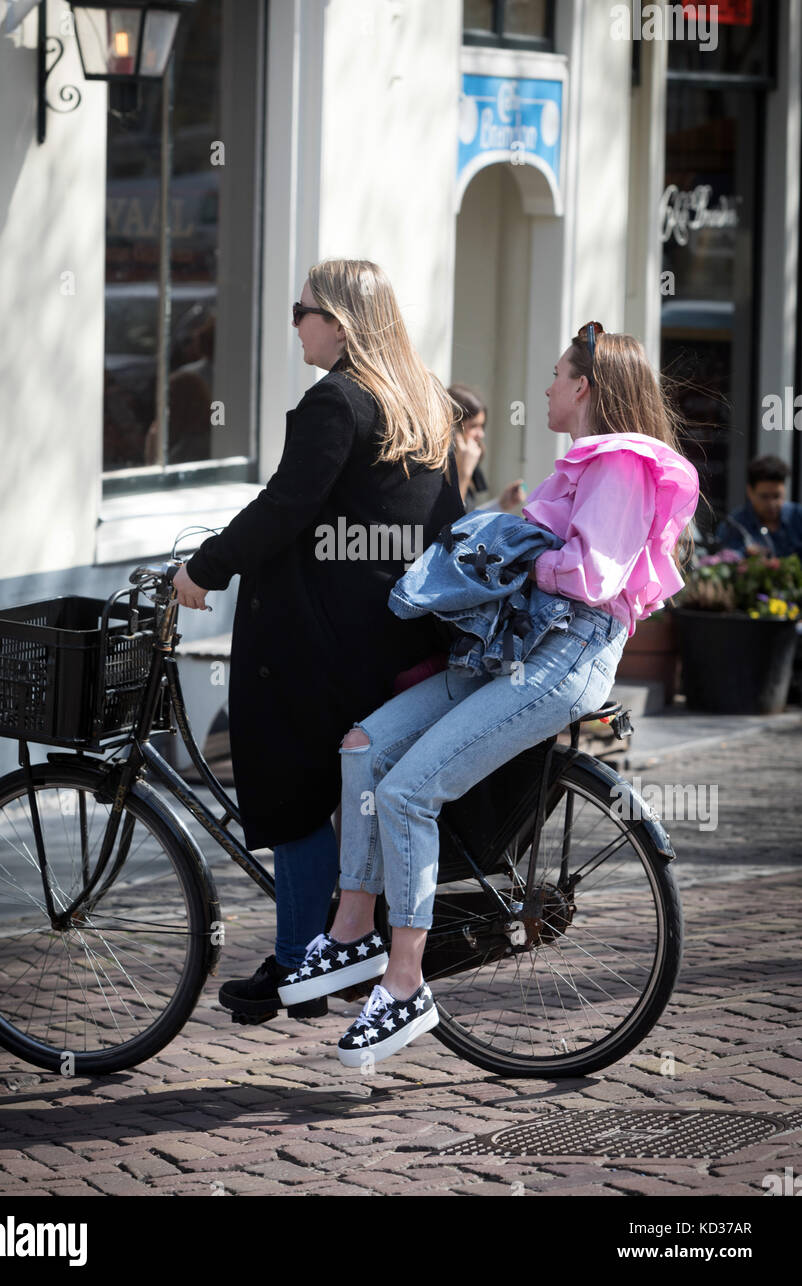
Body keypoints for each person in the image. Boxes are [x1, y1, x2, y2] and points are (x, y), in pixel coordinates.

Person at [277, 321, 700, 1064]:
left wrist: (509, 557)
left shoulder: (624, 464)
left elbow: (593, 578)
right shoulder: (592, 462)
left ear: (585, 389)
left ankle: (404, 985)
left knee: (408, 791)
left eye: (557, 374)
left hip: (560, 659)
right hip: (513, 650)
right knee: (363, 746)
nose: (545, 387)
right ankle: (350, 934)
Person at [172, 259, 463, 1023]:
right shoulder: (422, 399)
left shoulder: (335, 400)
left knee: (283, 783)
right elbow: (442, 522)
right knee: (334, 790)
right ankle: (327, 949)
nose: (294, 322)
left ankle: (303, 958)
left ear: (335, 321)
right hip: (399, 641)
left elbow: (286, 504)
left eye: (301, 310)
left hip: (327, 643)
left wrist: (206, 568)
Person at [448, 382, 525, 514]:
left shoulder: (466, 464)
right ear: (452, 427)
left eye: (482, 426)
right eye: (473, 426)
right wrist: (463, 476)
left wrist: (500, 505)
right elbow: (448, 524)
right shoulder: (437, 470)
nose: (481, 434)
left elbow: (466, 519)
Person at [715, 454, 802, 558]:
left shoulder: (797, 516)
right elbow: (723, 562)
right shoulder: (733, 525)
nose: (771, 504)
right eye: (764, 497)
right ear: (750, 492)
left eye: (777, 496)